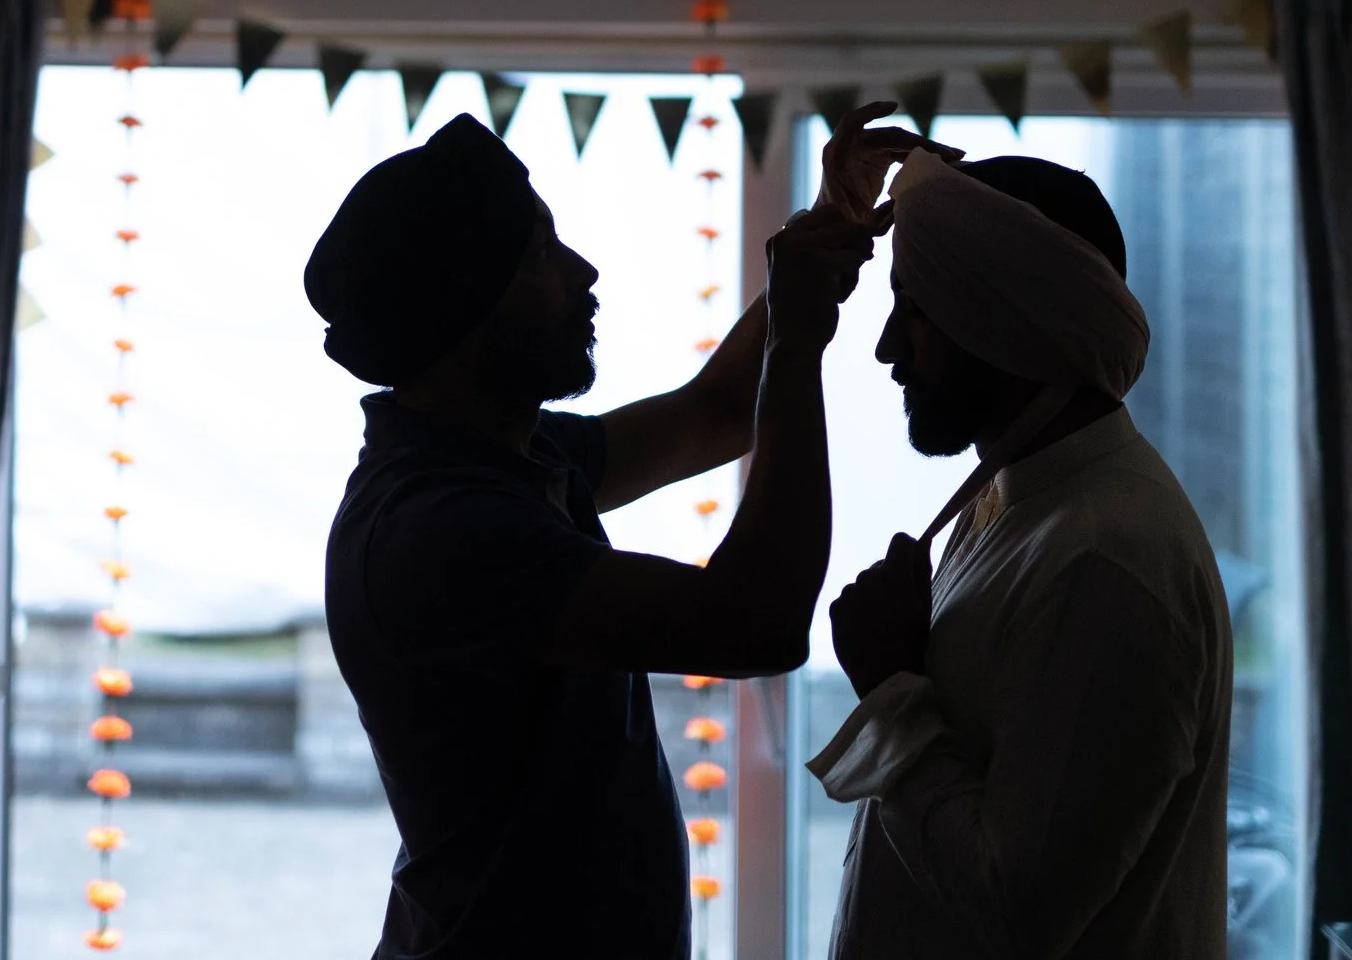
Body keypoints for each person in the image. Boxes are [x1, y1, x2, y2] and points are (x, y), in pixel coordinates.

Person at [309, 110, 913, 959]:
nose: (583, 273)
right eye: (540, 257)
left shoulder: (515, 455)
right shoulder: (443, 531)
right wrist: (801, 338)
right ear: (462, 313)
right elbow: (755, 621)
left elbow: (712, 415)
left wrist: (827, 231)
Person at [809, 125, 1233, 959]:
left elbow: (1017, 912)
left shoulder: (1109, 556)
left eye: (916, 310)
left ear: (1003, 319)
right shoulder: (1019, 505)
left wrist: (891, 687)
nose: (889, 348)